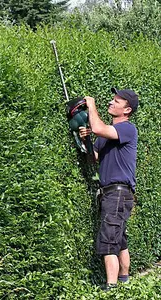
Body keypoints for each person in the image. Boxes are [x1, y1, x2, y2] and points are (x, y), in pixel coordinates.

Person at [79, 87, 139, 291]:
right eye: (112, 100)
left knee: (108, 240)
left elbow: (98, 128)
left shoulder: (127, 129)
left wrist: (91, 105)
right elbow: (92, 159)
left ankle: (111, 288)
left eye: (116, 101)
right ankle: (124, 282)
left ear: (127, 109)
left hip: (119, 192)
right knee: (119, 239)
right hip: (112, 193)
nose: (111, 103)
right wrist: (85, 139)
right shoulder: (106, 135)